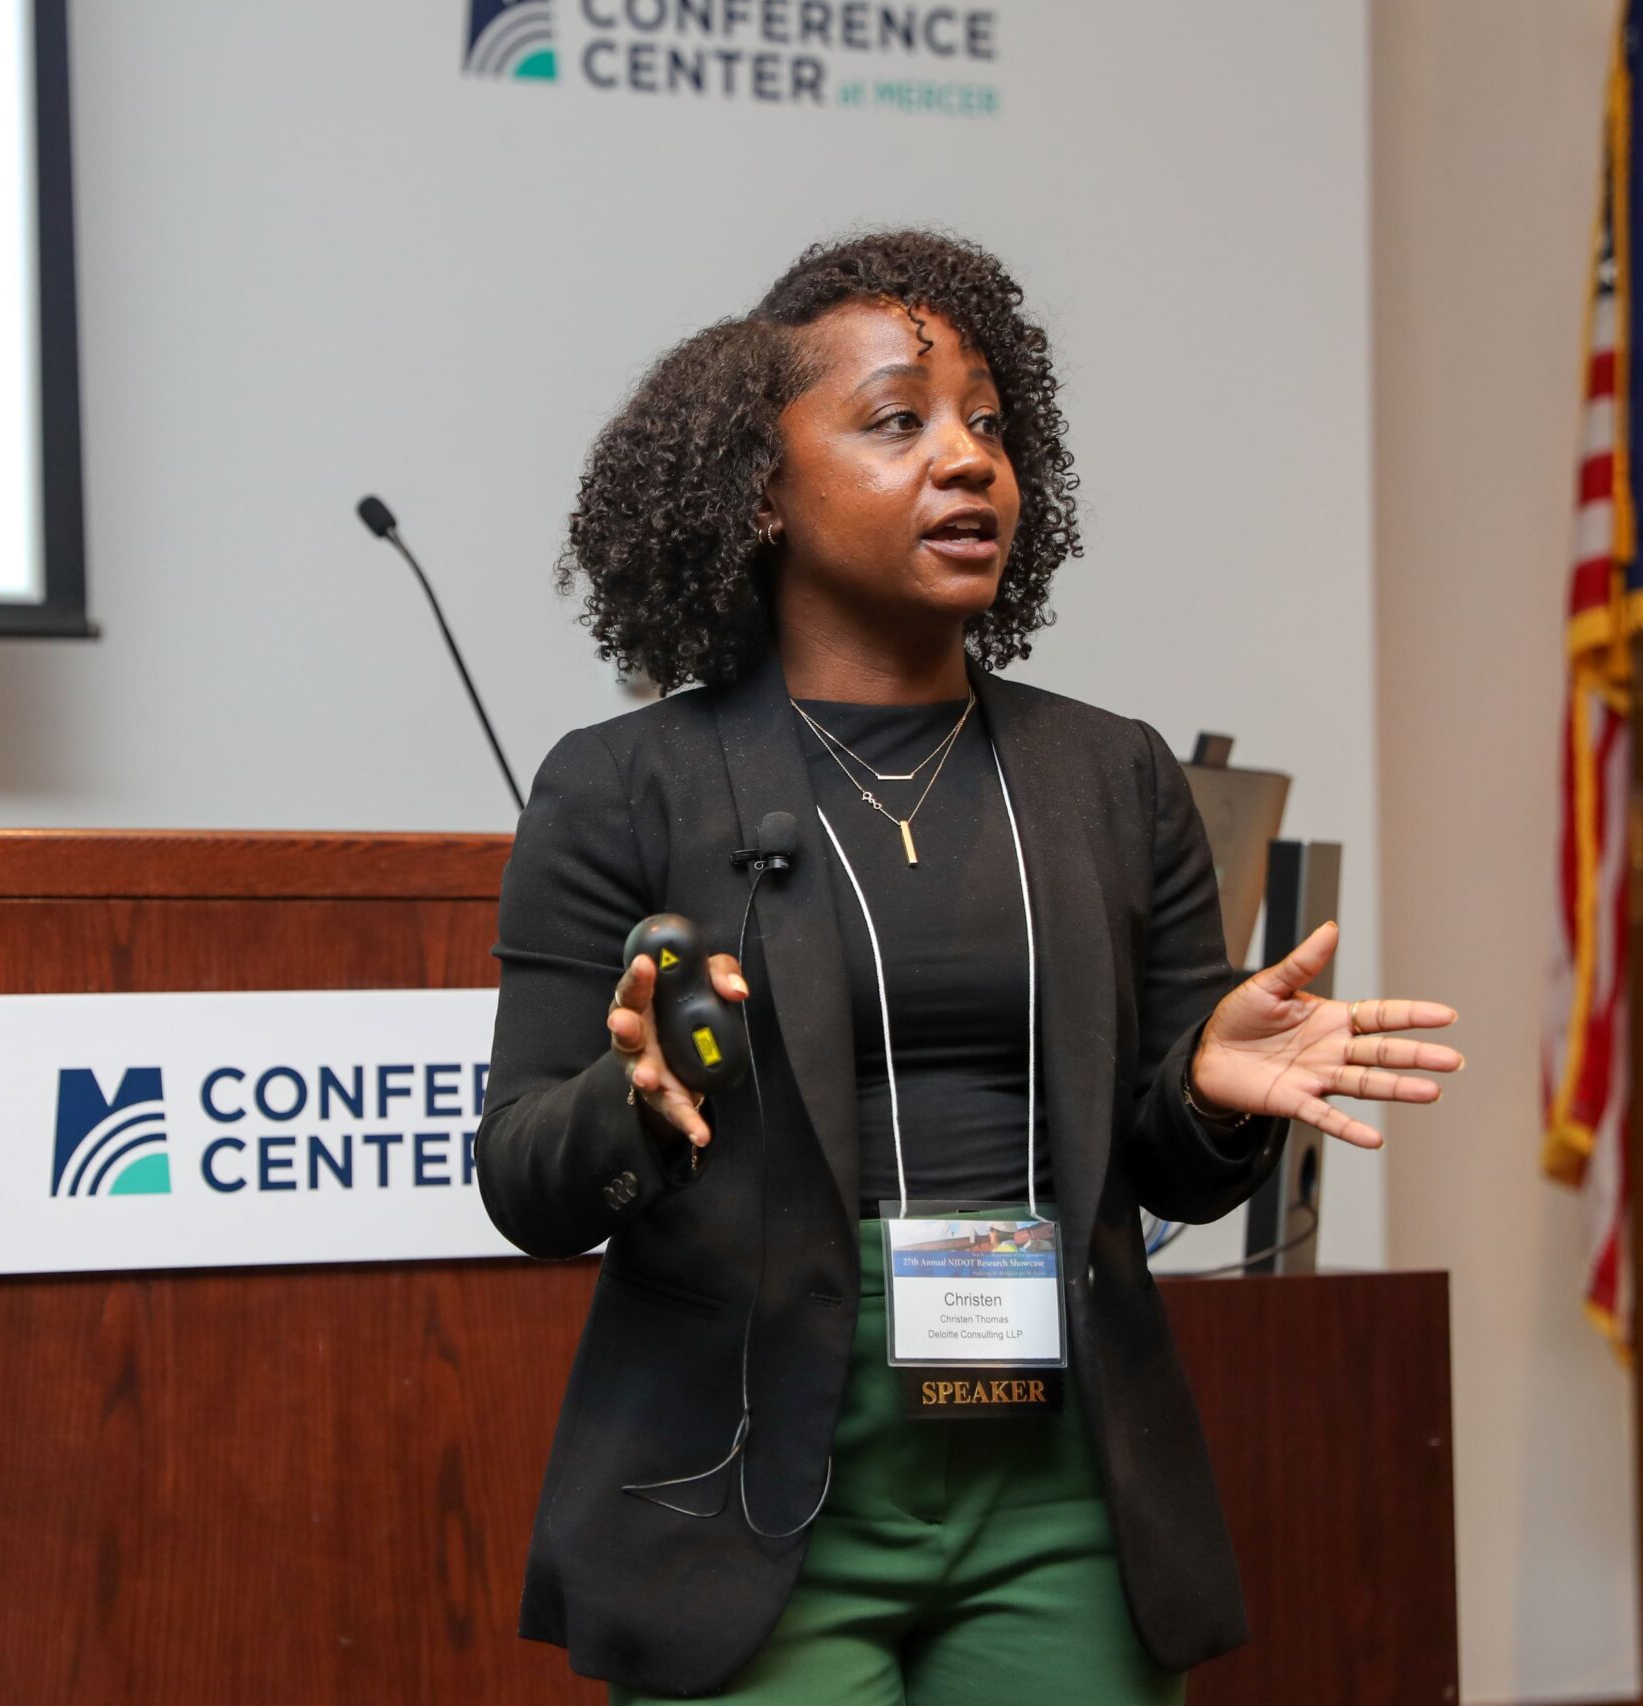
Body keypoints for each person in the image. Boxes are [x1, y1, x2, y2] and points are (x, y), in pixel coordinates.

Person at [475, 229, 1459, 1703]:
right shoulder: (626, 785)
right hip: (753, 1463)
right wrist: (636, 1102)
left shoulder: (1108, 776)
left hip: (1060, 1471)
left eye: (989, 424)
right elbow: (520, 1178)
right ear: (759, 489)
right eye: (898, 421)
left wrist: (1209, 1088)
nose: (967, 461)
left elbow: (1173, 1170)